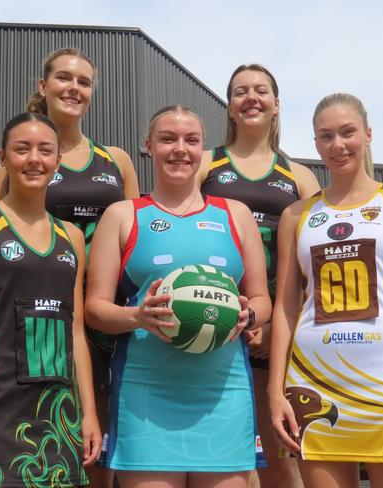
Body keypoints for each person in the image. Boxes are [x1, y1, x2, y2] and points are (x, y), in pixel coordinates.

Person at [85, 105, 272, 488]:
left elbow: (261, 299)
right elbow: (94, 308)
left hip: (225, 393)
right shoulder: (123, 215)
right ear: (149, 145)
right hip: (146, 393)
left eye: (191, 140)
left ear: (203, 151)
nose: (179, 149)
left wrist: (247, 316)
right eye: (168, 139)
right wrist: (137, 317)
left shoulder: (235, 214)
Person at [268, 93, 383, 488]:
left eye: (347, 132)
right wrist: (275, 391)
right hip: (313, 384)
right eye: (325, 136)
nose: (338, 145)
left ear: (367, 134)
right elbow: (286, 309)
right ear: (315, 144)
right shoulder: (296, 215)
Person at [0, 48, 139, 487]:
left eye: (84, 81)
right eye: (64, 78)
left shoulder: (117, 159)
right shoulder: (23, 157)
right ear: (44, 86)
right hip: (48, 317)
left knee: (106, 439)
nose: (74, 88)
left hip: (108, 314)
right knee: (55, 433)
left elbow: (137, 236)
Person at [0, 112, 101, 487]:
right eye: (22, 149)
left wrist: (89, 413)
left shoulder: (72, 238)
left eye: (45, 150)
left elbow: (75, 332)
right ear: (3, 157)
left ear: (57, 161)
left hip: (58, 416)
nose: (34, 159)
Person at [198, 64, 319, 487]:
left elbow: (314, 268)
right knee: (223, 461)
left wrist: (276, 328)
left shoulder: (300, 177)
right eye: (240, 92)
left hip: (277, 335)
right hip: (214, 329)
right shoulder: (204, 165)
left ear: (276, 105)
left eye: (261, 90)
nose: (251, 98)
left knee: (284, 459)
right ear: (229, 107)